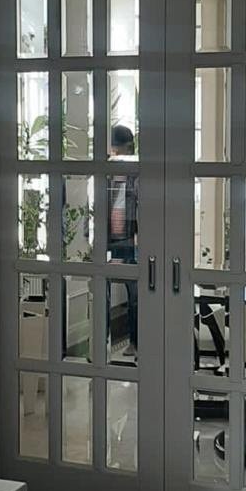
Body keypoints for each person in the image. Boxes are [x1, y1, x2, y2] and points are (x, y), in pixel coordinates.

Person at [107, 125, 138, 358]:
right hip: (110, 240)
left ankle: (136, 342)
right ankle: (102, 342)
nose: (116, 154)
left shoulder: (136, 175)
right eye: (114, 150)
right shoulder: (107, 174)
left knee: (135, 295)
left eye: (120, 149)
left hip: (130, 241)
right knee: (102, 290)